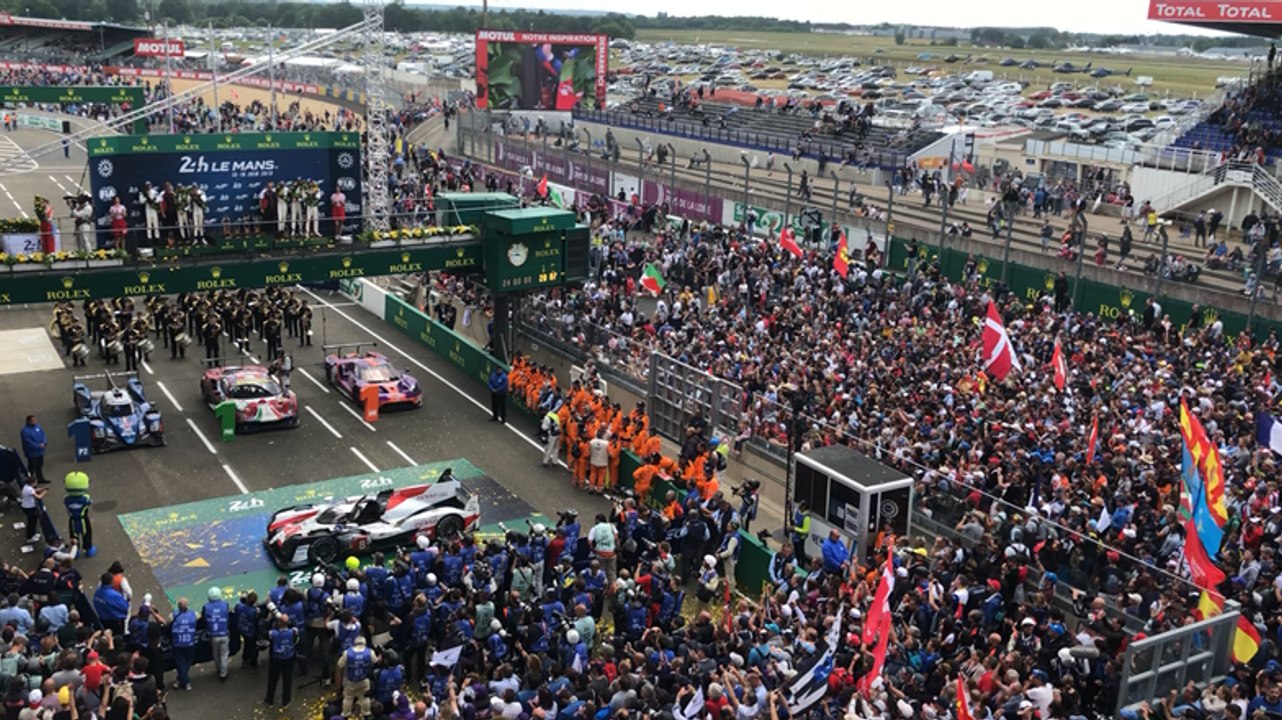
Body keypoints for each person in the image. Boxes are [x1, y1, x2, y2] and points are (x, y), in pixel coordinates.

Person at [337, 634, 374, 719]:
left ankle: (346, 714)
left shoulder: (347, 653)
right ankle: (367, 714)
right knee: (365, 698)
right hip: (364, 680)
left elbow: (340, 664)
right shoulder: (369, 652)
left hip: (351, 680)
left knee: (348, 698)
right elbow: (375, 661)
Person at [265, 613, 297, 707]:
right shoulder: (293, 632)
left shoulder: (273, 633)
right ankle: (286, 700)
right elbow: (295, 627)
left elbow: (265, 632)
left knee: (272, 680)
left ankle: (269, 699)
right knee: (287, 680)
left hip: (276, 659)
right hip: (288, 658)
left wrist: (269, 619)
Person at [202, 587, 231, 682]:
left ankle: (219, 669)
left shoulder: (206, 607)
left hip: (213, 635)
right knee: (224, 655)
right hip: (224, 634)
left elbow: (203, 618)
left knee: (216, 654)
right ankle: (223, 673)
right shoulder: (225, 604)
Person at [169, 597, 197, 690]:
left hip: (177, 643)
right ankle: (185, 681)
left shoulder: (173, 614)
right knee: (186, 662)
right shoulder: (193, 614)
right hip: (190, 642)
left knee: (181, 663)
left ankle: (183, 680)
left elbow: (168, 623)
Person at [20, 415, 47, 485]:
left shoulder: (38, 427)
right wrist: (37, 446)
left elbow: (43, 435)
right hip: (32, 452)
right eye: (32, 420)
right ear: (28, 421)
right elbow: (27, 441)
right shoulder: (25, 431)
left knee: (40, 465)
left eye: (35, 420)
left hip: (40, 451)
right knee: (32, 467)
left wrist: (44, 443)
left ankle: (40, 478)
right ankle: (30, 481)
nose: (34, 421)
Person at [19, 475, 45, 543]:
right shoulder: (29, 489)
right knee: (31, 523)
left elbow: (35, 490)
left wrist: (42, 489)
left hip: (26, 506)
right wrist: (45, 492)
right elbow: (39, 497)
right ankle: (29, 537)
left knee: (34, 521)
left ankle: (33, 534)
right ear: (32, 482)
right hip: (29, 508)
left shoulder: (26, 487)